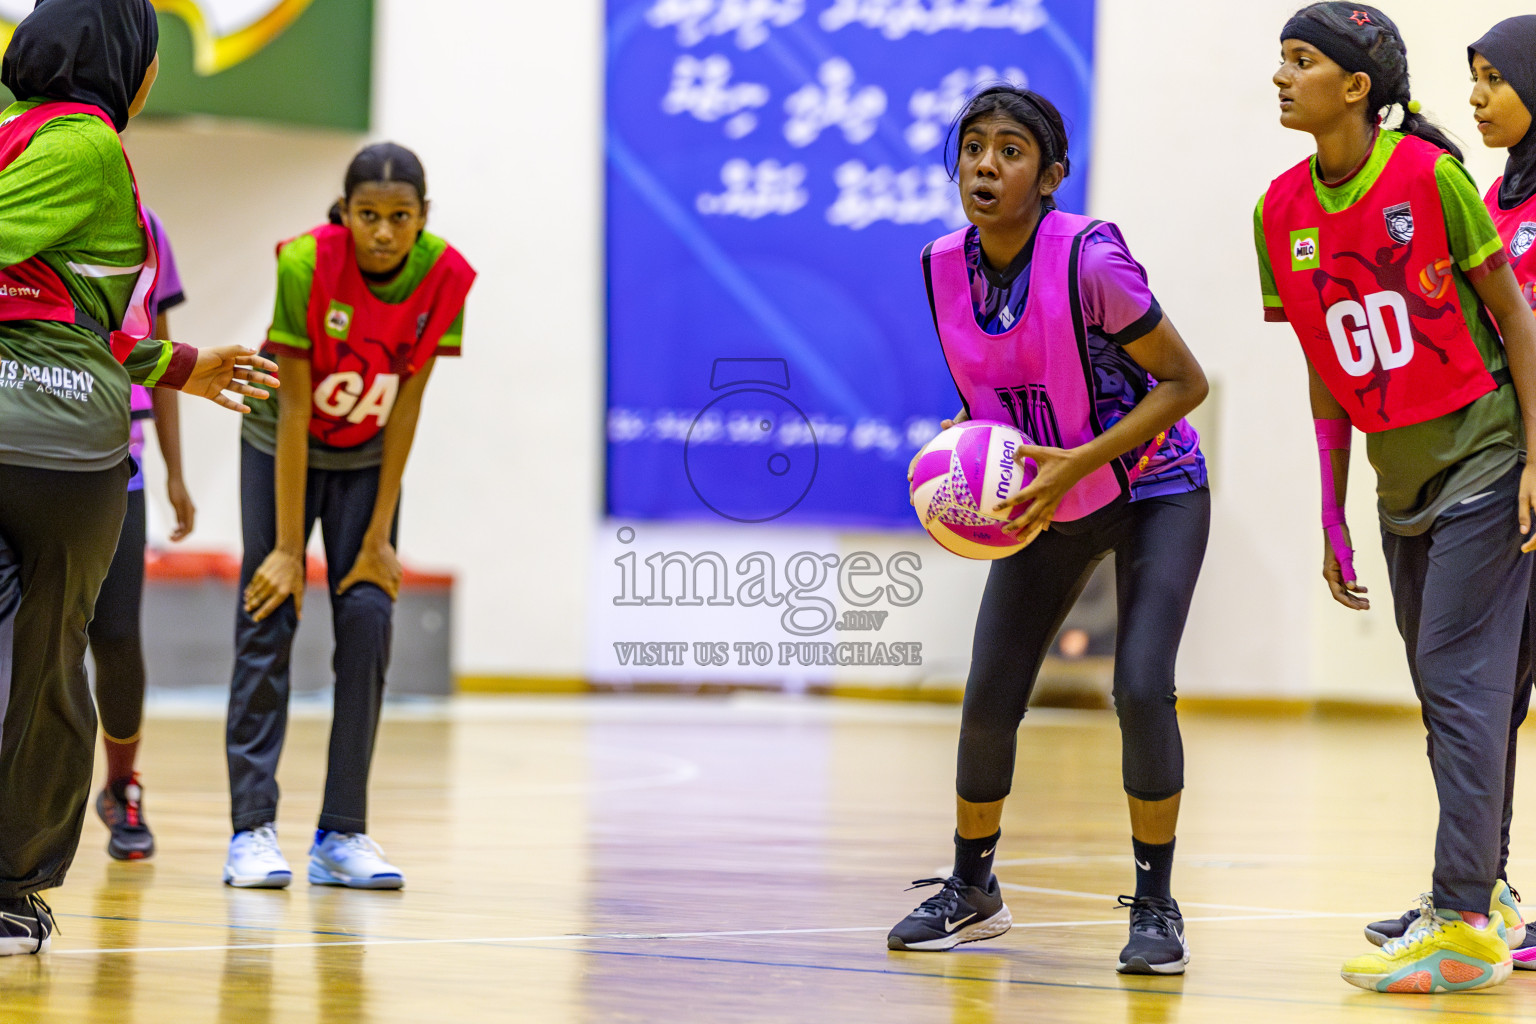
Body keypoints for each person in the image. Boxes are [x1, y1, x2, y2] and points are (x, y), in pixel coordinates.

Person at [887, 85, 1211, 976]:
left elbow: (1186, 386)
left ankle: (1157, 907)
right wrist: (967, 432)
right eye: (973, 149)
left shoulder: (1092, 263)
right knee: (990, 692)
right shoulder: (942, 265)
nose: (985, 165)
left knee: (1141, 687)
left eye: (1010, 151)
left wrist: (1081, 457)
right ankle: (972, 890)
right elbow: (997, 382)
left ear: (1051, 176)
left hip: (1154, 487)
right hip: (1047, 498)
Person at [1257, 3, 1536, 993]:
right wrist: (1330, 507)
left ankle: (1460, 917)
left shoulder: (1433, 179)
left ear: (1357, 85)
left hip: (1486, 453)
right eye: (1279, 60)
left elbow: (1512, 319)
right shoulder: (1279, 210)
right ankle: (1487, 892)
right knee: (1458, 693)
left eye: (1302, 61)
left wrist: (1534, 459)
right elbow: (1325, 369)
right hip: (1395, 477)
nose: (1281, 77)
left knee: (1459, 686)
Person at [0, 0, 278, 957]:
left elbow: (51, 303)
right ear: (131, 67)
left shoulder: (13, 138)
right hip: (62, 450)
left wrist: (179, 362)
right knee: (49, 668)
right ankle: (11, 891)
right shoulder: (90, 145)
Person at [222, 143, 475, 891]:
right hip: (283, 445)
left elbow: (410, 406)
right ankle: (251, 831)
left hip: (367, 458)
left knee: (368, 615)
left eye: (401, 218)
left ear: (423, 217)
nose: (385, 233)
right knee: (269, 613)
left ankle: (342, 833)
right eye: (369, 216)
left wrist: (376, 540)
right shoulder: (305, 263)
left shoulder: (447, 275)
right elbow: (295, 405)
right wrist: (290, 552)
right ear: (345, 212)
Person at [88, 206, 195, 862]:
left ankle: (122, 784)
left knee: (117, 635)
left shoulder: (145, 227)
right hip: (32, 443)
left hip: (115, 461)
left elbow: (164, 354)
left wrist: (176, 472)